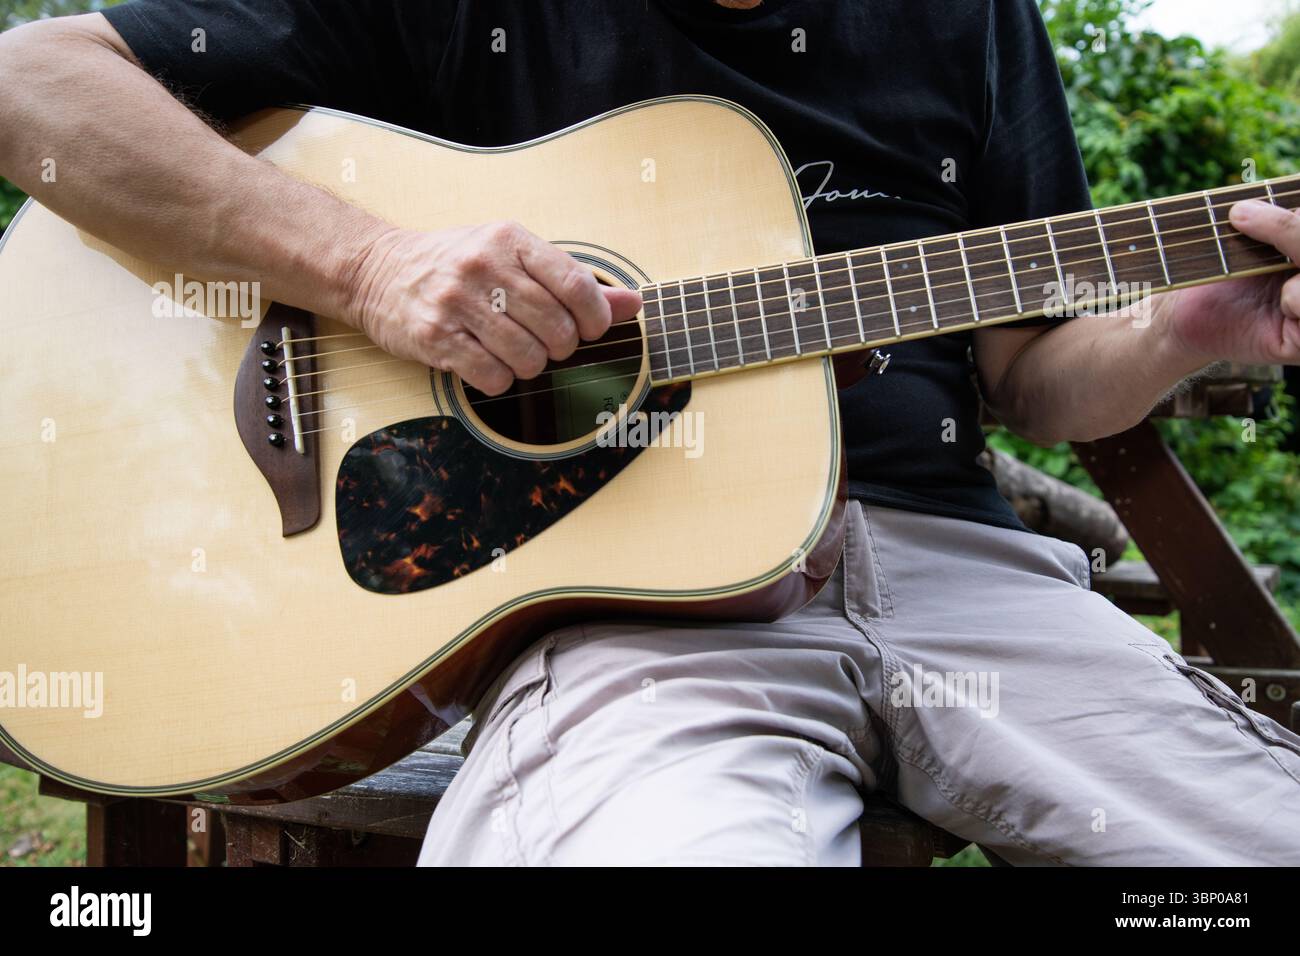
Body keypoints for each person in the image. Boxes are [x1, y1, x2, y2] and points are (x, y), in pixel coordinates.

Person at [2, 0, 1298, 866]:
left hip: (971, 589)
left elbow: (1033, 382)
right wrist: (371, 269)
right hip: (638, 612)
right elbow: (37, 85)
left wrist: (1182, 328)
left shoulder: (973, 17)